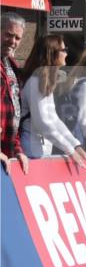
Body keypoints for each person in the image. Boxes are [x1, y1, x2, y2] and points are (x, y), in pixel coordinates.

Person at [18, 35, 86, 167]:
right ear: (52, 53)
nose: (67, 53)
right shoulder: (35, 80)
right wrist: (69, 149)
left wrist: (75, 144)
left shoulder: (43, 80)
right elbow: (43, 122)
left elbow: (53, 119)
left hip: (40, 147)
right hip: (31, 148)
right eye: (64, 49)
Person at [1, 12, 29, 172]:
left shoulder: (12, 66)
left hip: (7, 157)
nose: (13, 41)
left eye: (17, 38)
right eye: (8, 35)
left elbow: (14, 113)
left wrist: (18, 150)